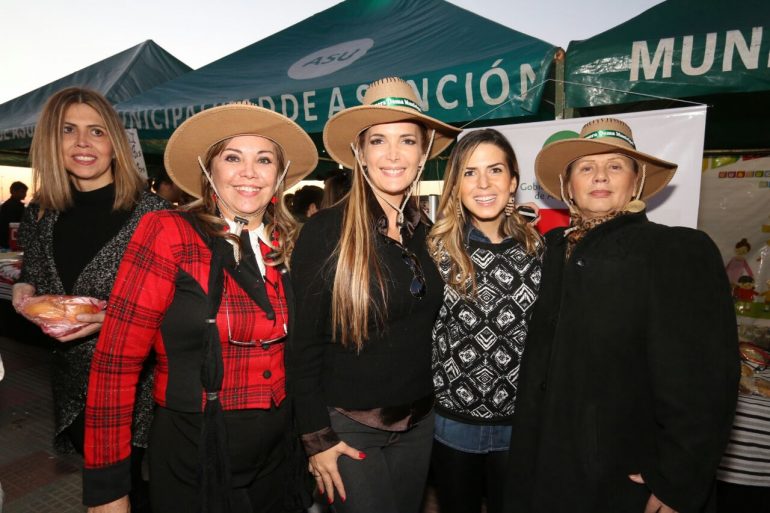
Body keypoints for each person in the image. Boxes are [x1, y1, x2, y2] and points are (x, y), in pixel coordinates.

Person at [82, 104, 318, 513]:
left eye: (264, 160)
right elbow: (115, 361)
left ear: (279, 175)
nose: (249, 172)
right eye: (233, 158)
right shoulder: (168, 232)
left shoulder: (290, 242)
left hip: (279, 451)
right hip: (194, 447)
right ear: (209, 171)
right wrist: (107, 487)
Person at [504, 117, 740, 513]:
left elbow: (705, 379)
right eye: (586, 167)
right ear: (568, 186)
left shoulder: (674, 250)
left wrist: (677, 478)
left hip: (620, 478)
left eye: (615, 165)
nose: (600, 175)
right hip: (543, 465)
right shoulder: (550, 250)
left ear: (636, 181)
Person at [286, 77, 460, 513]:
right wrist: (316, 438)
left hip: (420, 423)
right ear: (360, 153)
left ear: (423, 152)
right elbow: (302, 345)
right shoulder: (325, 231)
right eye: (378, 140)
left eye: (407, 140)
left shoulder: (428, 232)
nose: (393, 154)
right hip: (349, 427)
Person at [11, 87, 169, 511]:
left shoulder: (155, 215)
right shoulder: (41, 212)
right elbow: (36, 273)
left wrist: (120, 318)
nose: (83, 142)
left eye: (96, 131)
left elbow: (184, 304)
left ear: (114, 142)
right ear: (52, 140)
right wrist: (25, 288)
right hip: (73, 386)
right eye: (69, 130)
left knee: (132, 493)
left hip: (140, 391)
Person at [426, 129, 543, 513]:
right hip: (453, 423)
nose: (483, 183)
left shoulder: (538, 249)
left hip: (520, 424)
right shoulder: (436, 249)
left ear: (513, 181)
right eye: (470, 172)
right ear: (456, 184)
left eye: (495, 170)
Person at [0, 181, 28, 248]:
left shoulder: (10, 205)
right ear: (13, 192)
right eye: (22, 192)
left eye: (25, 192)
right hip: (10, 241)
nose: (25, 194)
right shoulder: (11, 206)